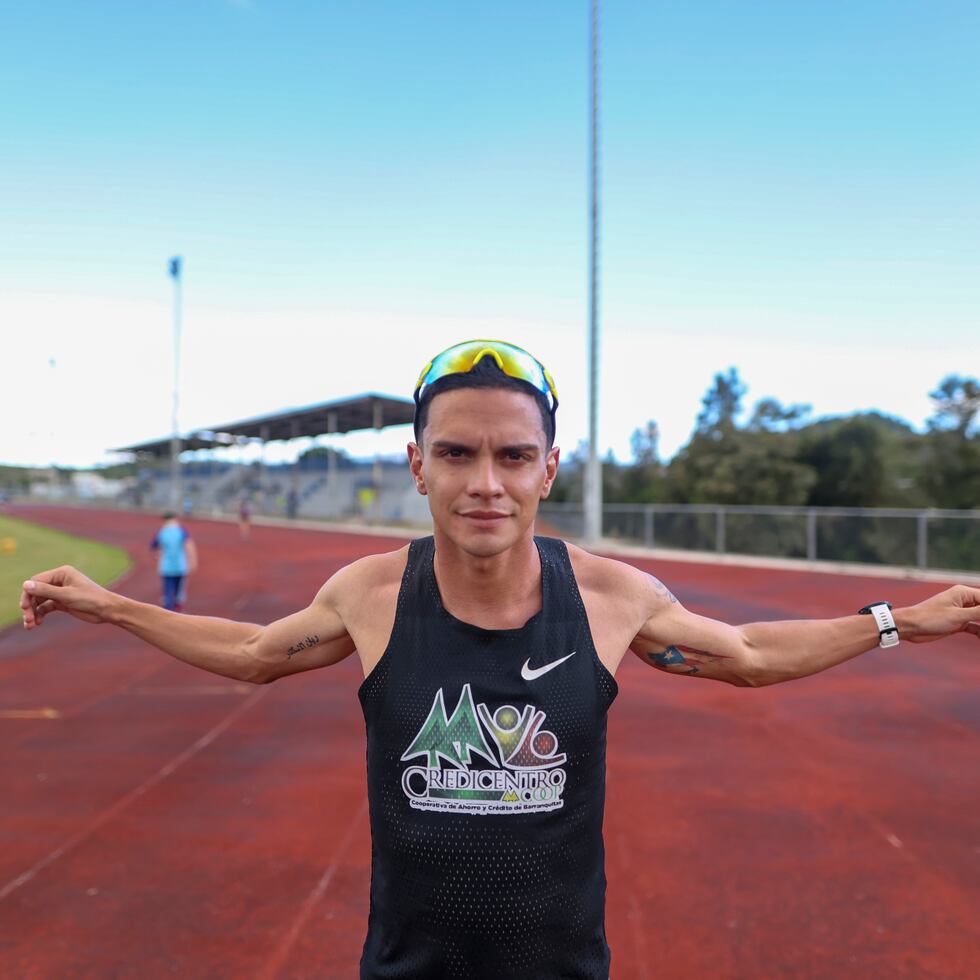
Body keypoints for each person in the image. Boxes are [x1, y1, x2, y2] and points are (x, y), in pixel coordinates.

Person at [19, 340, 980, 979]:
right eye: (459, 455)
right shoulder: (370, 594)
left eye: (514, 457)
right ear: (417, 466)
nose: (486, 483)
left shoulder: (607, 598)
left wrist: (904, 621)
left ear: (548, 469)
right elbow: (255, 652)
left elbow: (748, 653)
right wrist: (110, 605)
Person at [150, 511, 197, 613]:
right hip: (180, 566)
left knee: (168, 591)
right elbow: (189, 546)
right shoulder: (181, 531)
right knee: (179, 592)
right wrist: (192, 561)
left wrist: (158, 553)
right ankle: (178, 611)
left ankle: (167, 611)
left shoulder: (161, 532)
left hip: (166, 567)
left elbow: (153, 546)